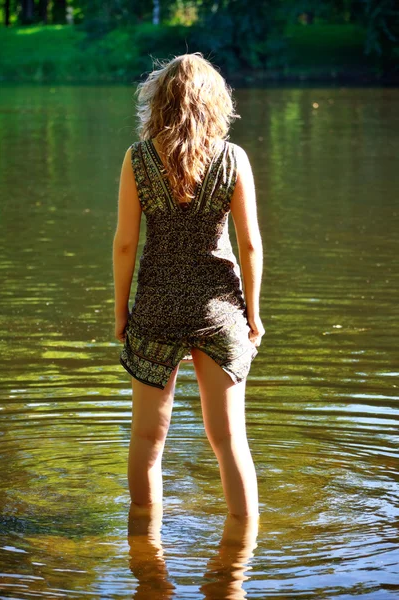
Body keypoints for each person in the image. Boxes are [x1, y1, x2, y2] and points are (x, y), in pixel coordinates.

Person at [113, 52, 265, 519]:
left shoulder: (137, 160)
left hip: (156, 308)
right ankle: (239, 560)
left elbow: (124, 245)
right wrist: (254, 315)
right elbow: (251, 245)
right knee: (228, 439)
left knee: (146, 440)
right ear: (214, 103)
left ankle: (147, 554)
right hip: (218, 310)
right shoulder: (233, 159)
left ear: (158, 102)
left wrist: (122, 314)